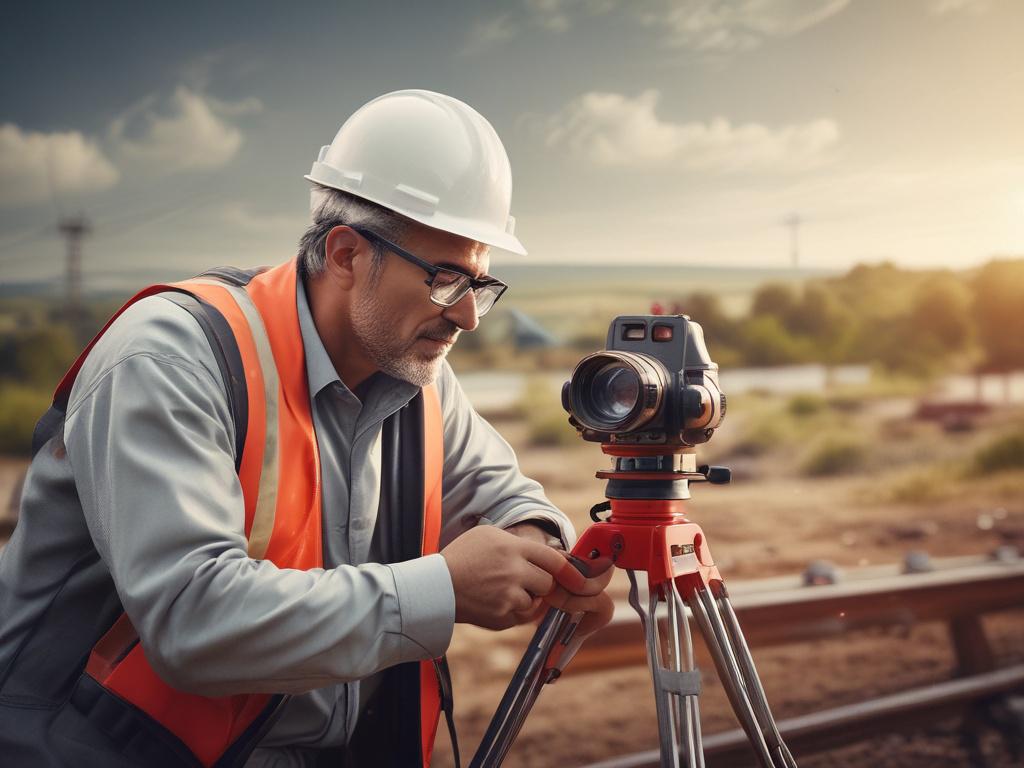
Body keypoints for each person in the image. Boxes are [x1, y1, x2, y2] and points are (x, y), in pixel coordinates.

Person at [0, 90, 614, 767]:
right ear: (347, 254)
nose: (469, 316)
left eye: (482, 283)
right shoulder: (171, 359)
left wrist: (543, 551)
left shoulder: (414, 369)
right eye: (446, 280)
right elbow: (192, 621)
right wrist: (440, 591)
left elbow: (502, 495)